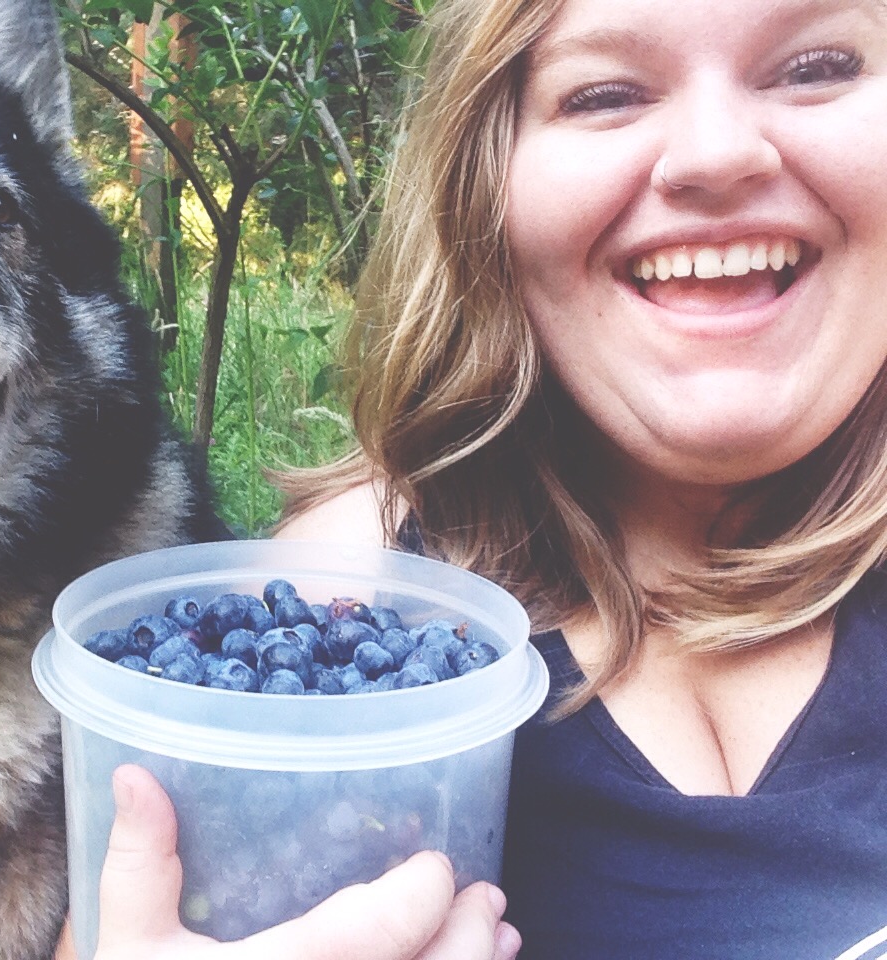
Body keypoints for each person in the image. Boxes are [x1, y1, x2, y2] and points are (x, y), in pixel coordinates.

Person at [67, 0, 887, 956]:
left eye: (817, 67)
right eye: (605, 93)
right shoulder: (351, 594)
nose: (717, 153)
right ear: (483, 185)